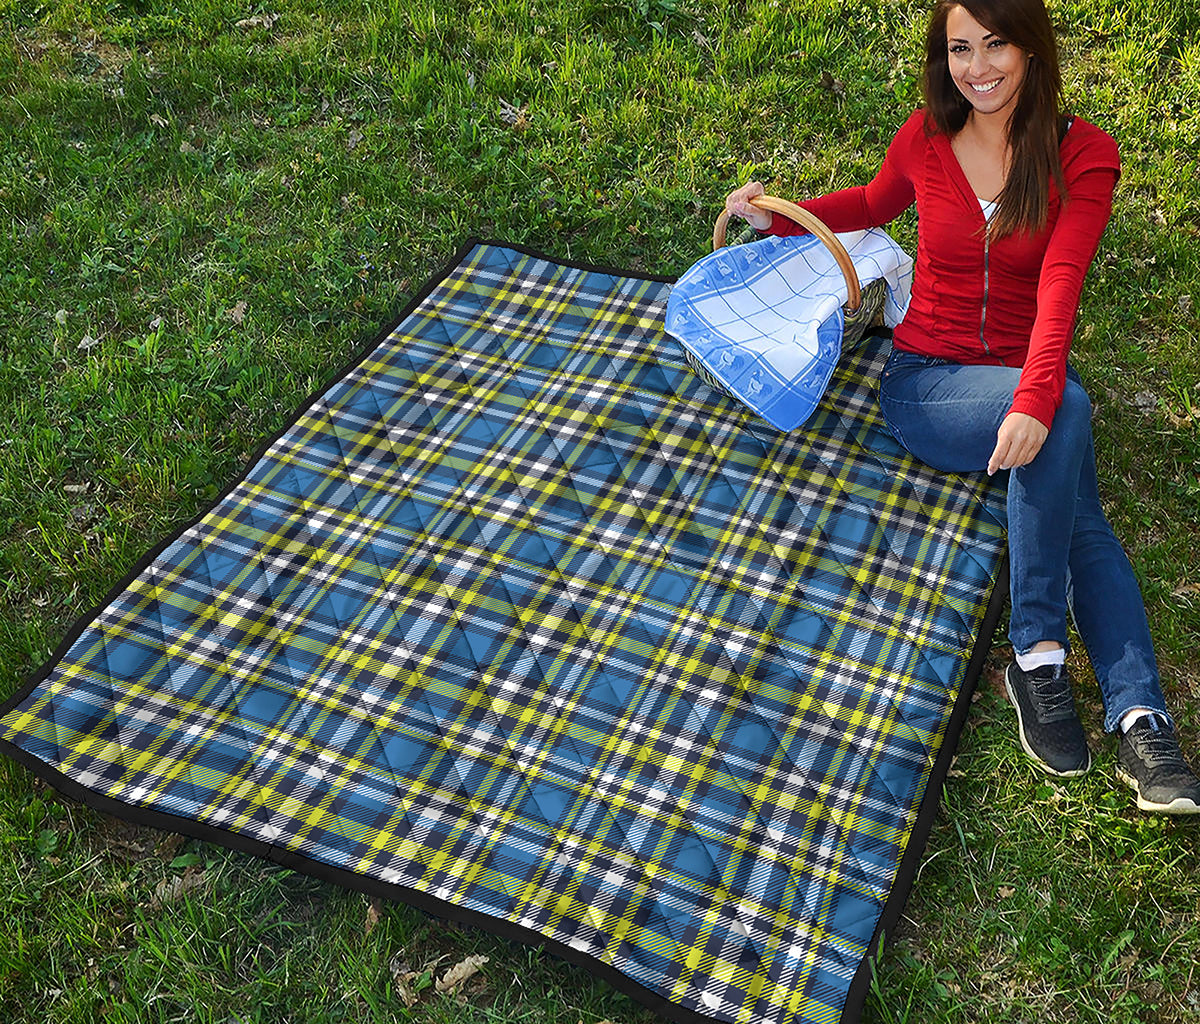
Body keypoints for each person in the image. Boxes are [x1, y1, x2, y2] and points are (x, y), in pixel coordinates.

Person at [725, 0, 1200, 814]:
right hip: (927, 384)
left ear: (1031, 48)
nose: (977, 67)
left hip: (1019, 376)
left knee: (1074, 478)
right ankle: (1045, 656)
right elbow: (872, 205)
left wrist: (1036, 396)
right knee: (1069, 418)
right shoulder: (926, 137)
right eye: (959, 48)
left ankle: (1134, 713)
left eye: (996, 44)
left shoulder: (1083, 156)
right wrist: (779, 220)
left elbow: (1061, 284)